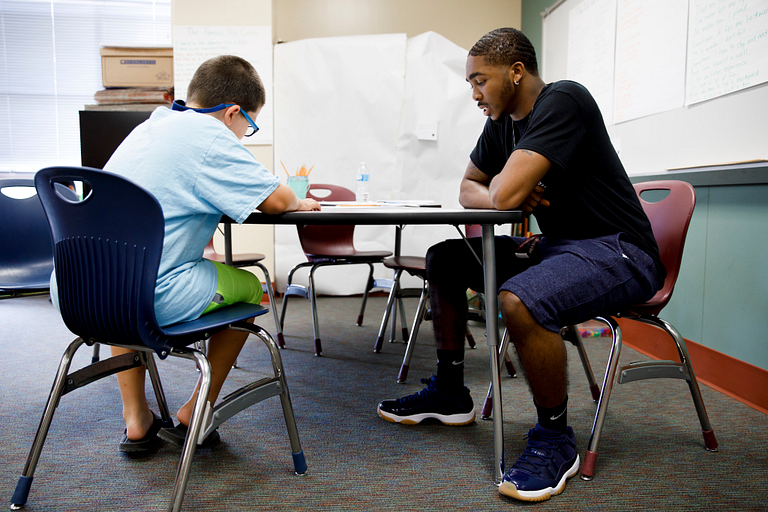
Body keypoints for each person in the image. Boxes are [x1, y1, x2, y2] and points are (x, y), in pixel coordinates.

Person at [377, 28, 665, 502]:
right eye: (470, 83)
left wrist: (499, 192)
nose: (474, 94)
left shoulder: (564, 101)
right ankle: (451, 392)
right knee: (445, 258)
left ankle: (555, 439)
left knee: (521, 302)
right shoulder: (503, 121)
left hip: (620, 251)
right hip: (560, 246)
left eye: (480, 81)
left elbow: (502, 196)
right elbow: (469, 187)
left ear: (515, 72)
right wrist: (498, 191)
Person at [60, 55, 320, 453]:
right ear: (233, 113)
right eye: (248, 126)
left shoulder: (150, 126)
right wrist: (298, 200)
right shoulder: (210, 137)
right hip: (150, 297)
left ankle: (136, 419)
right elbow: (277, 200)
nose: (243, 135)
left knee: (124, 273)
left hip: (80, 292)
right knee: (250, 287)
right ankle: (197, 408)